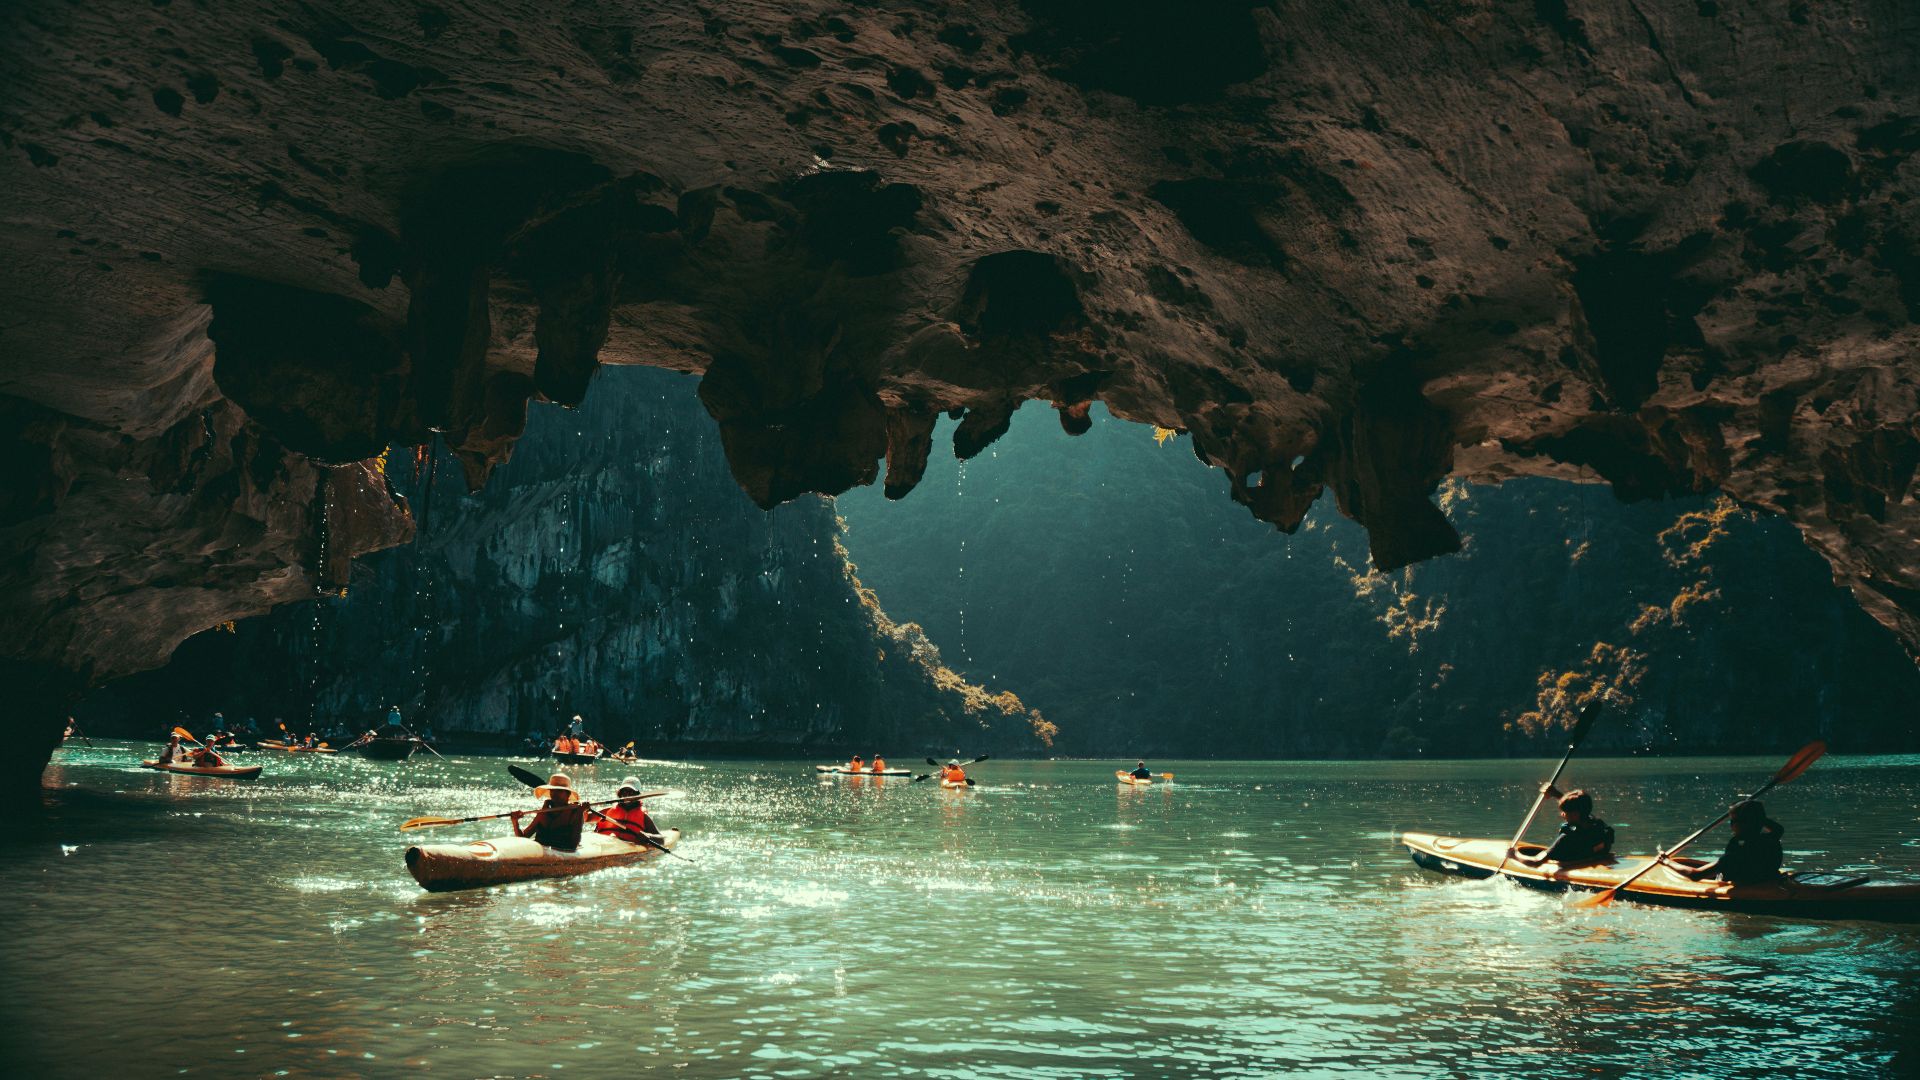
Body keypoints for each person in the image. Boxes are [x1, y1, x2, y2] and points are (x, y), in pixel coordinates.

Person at [1676, 800, 1785, 884]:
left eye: (1733, 820)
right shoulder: (1771, 838)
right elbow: (1779, 828)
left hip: (1747, 888)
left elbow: (1696, 875)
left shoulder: (1736, 853)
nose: (1731, 824)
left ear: (1738, 824)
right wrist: (1755, 815)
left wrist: (1665, 862)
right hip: (1768, 881)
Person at [1512, 788, 1614, 867]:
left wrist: (1514, 856)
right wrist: (1555, 793)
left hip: (1570, 862)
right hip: (1592, 858)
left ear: (1575, 814)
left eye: (1565, 812)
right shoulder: (1599, 826)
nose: (1562, 815)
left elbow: (1536, 862)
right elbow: (1579, 806)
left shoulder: (1566, 839)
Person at [512, 774, 585, 851]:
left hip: (561, 852)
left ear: (568, 794)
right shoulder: (543, 811)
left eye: (559, 791)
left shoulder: (575, 812)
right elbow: (523, 838)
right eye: (552, 790)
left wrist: (580, 813)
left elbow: (573, 845)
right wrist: (515, 821)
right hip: (541, 852)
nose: (554, 794)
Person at [593, 777, 658, 845]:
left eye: (631, 792)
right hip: (602, 844)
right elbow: (586, 818)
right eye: (624, 791)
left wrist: (650, 837)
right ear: (620, 793)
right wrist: (583, 809)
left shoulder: (644, 817)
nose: (627, 794)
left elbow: (662, 839)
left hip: (626, 847)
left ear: (638, 795)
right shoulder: (607, 811)